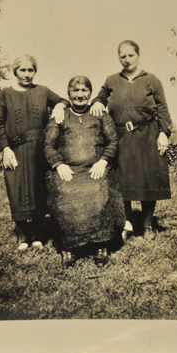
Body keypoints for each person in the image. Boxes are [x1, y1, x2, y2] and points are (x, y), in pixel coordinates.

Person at [90, 40, 172, 240]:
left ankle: (146, 224)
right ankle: (127, 222)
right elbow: (98, 99)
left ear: (138, 55)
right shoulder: (111, 80)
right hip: (121, 137)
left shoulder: (152, 80)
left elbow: (162, 110)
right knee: (122, 179)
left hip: (147, 135)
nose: (127, 60)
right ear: (119, 58)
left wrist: (163, 133)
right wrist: (98, 103)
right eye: (123, 56)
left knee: (148, 178)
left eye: (130, 55)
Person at [44, 76, 126, 267]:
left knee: (100, 189)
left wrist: (103, 161)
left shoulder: (100, 114)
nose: (80, 95)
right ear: (68, 93)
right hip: (68, 170)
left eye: (84, 90)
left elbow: (113, 141)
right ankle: (68, 247)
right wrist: (59, 164)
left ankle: (101, 245)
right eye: (75, 91)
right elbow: (48, 145)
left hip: (95, 168)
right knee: (64, 192)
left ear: (90, 92)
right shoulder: (60, 115)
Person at [0, 54, 69, 251]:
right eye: (22, 70)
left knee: (38, 191)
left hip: (39, 150)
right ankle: (22, 235)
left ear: (35, 71)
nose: (27, 74)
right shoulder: (5, 94)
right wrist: (5, 149)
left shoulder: (42, 91)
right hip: (15, 150)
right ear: (15, 71)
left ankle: (36, 234)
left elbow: (64, 100)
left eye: (30, 70)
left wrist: (60, 105)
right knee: (16, 190)